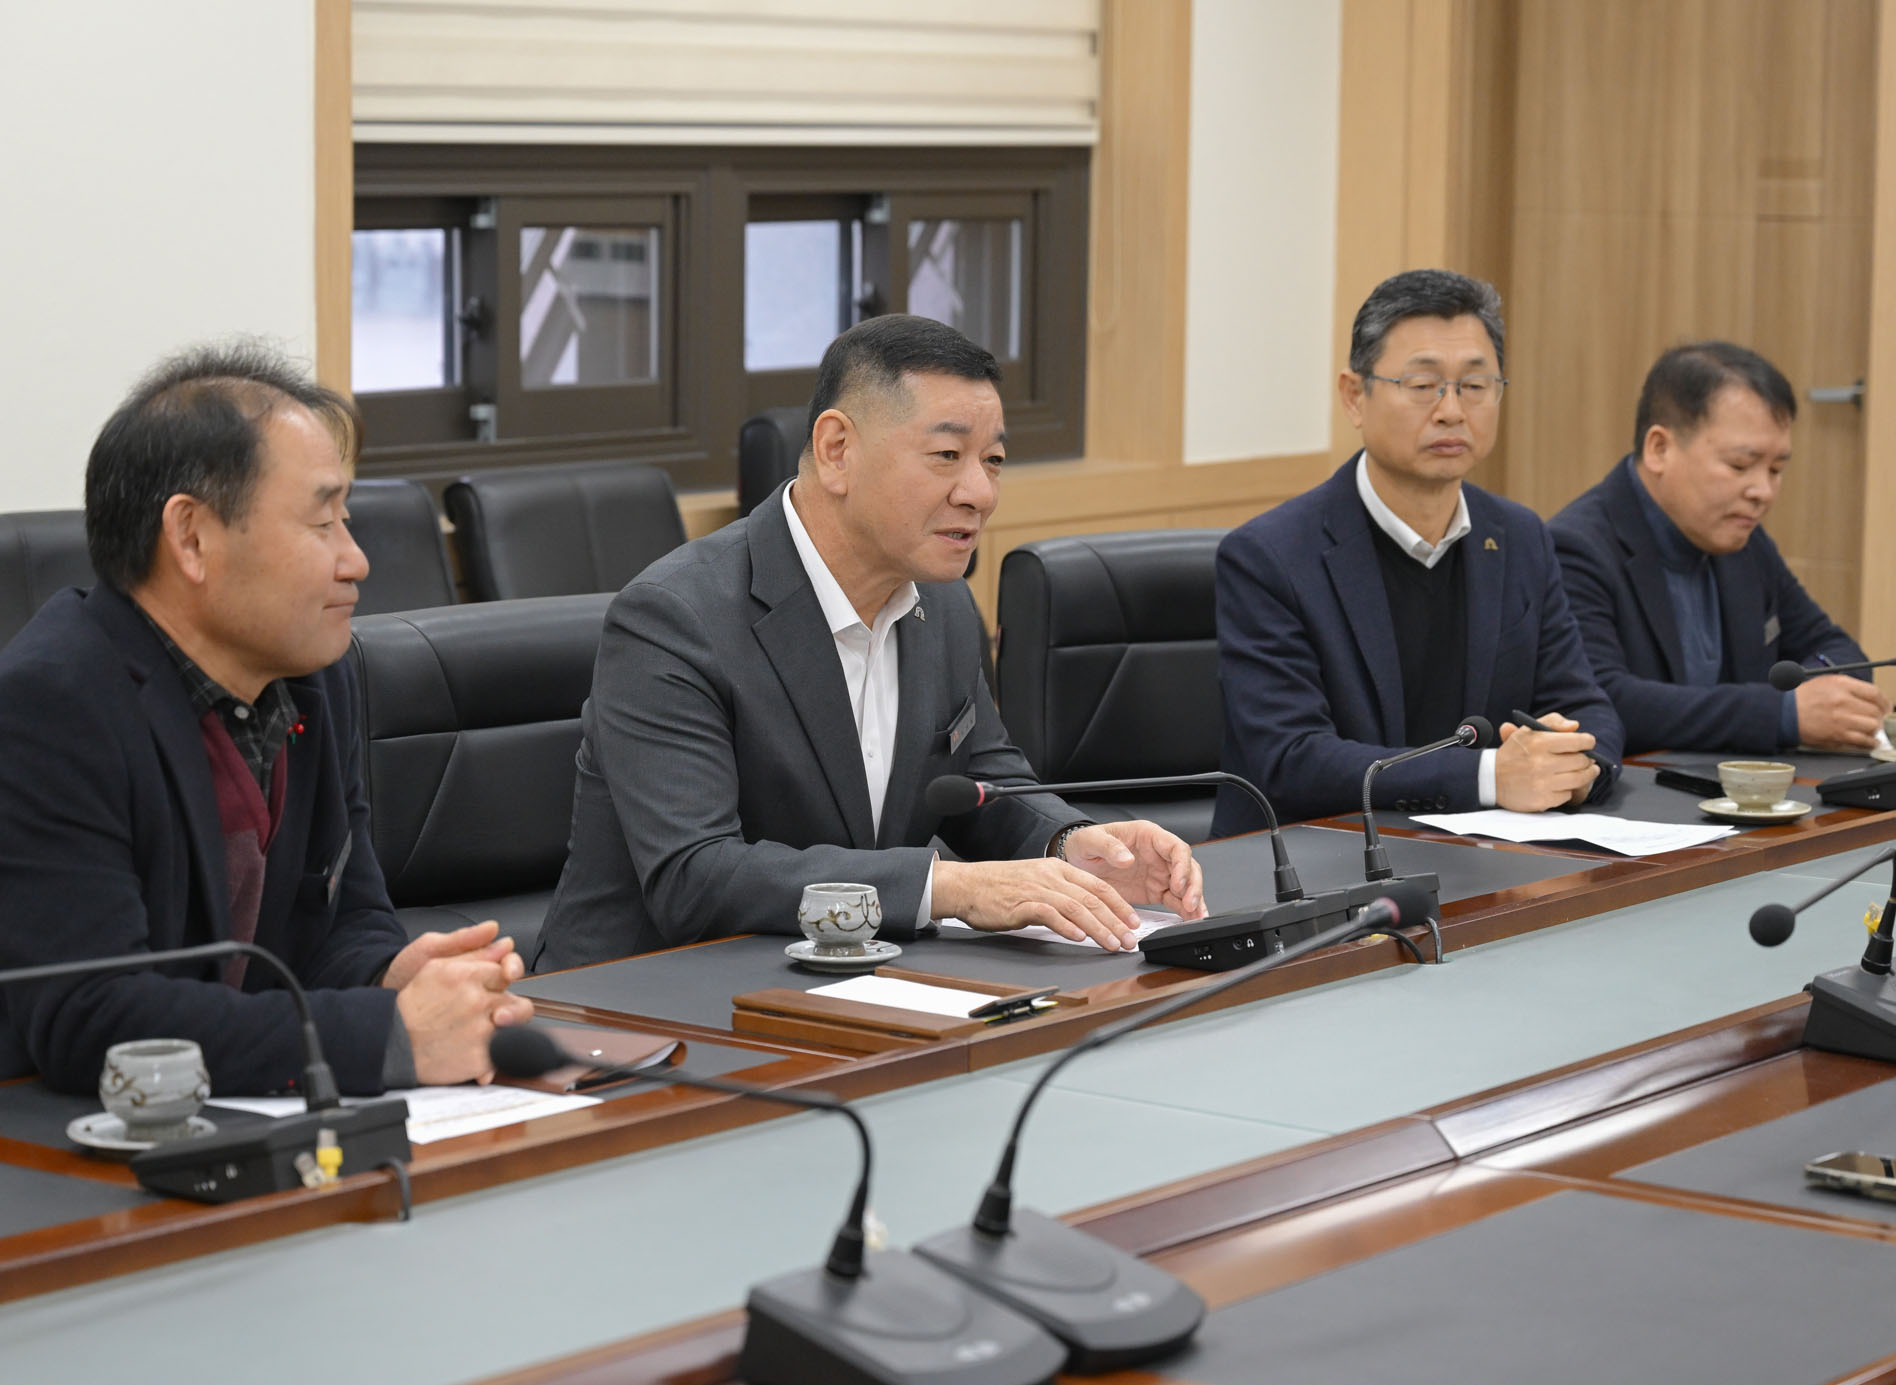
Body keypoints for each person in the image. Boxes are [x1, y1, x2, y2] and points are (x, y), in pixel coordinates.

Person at [535, 315, 1205, 972]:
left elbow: (982, 782)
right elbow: (696, 878)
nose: (979, 493)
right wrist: (949, 887)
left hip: (849, 981)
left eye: (994, 461)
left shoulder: (943, 603)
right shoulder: (673, 618)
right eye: (946, 456)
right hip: (643, 998)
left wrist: (1071, 844)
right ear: (837, 451)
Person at [0, 345, 532, 1097]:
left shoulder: (315, 673)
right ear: (191, 537)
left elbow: (340, 919)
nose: (356, 561)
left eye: (347, 519)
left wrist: (388, 976)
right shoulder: (51, 705)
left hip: (242, 1108)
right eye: (322, 523)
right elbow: (93, 1017)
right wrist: (388, 1035)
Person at [1212, 270, 1621, 835]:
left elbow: (1587, 705)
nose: (1452, 410)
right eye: (1424, 384)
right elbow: (1291, 758)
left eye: (1475, 385)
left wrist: (1575, 765)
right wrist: (1489, 775)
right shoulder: (1268, 557)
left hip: (1489, 857)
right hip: (1317, 860)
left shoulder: (1520, 535)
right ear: (1355, 396)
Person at [1548, 342, 1886, 755]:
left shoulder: (1744, 539)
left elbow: (1834, 648)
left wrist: (1823, 695)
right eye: (1740, 466)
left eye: (1776, 469)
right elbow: (1603, 700)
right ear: (1659, 449)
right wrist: (1783, 713)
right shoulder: (1576, 548)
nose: (1763, 491)